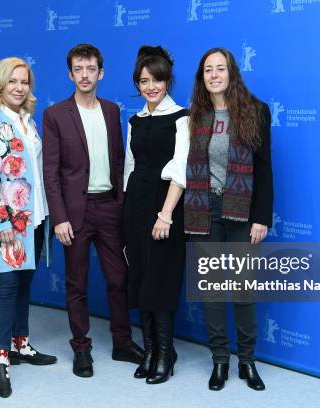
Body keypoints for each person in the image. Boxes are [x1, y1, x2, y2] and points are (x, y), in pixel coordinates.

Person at [42, 43, 143, 378]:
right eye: (78, 70)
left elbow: (119, 162)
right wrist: (59, 217)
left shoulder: (113, 111)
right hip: (74, 212)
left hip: (109, 207)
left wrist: (120, 204)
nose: (84, 75)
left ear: (101, 73)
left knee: (118, 278)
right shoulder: (55, 115)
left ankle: (123, 343)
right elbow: (51, 172)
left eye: (90, 69)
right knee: (77, 283)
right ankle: (81, 349)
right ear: (71, 74)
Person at [185, 47, 273, 391]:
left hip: (243, 213)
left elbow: (264, 170)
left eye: (220, 69)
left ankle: (247, 362)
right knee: (211, 291)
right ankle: (220, 361)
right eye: (208, 70)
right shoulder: (194, 115)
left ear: (231, 72)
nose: (215, 75)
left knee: (242, 289)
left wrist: (261, 218)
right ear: (202, 77)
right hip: (203, 211)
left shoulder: (255, 111)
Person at [0, 57, 57, 398]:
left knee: (25, 283)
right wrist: (1, 221)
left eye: (24, 82)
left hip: (35, 218)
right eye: (13, 82)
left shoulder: (28, 121)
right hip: (7, 223)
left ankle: (20, 344)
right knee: (6, 288)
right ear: (0, 85)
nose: (20, 88)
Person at [123, 46, 189, 385]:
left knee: (160, 280)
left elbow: (181, 170)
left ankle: (166, 352)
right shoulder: (134, 121)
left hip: (165, 207)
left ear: (167, 81)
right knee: (141, 277)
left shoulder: (182, 118)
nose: (151, 87)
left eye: (157, 80)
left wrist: (165, 215)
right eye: (144, 81)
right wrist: (125, 214)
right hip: (135, 203)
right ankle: (150, 350)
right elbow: (129, 167)